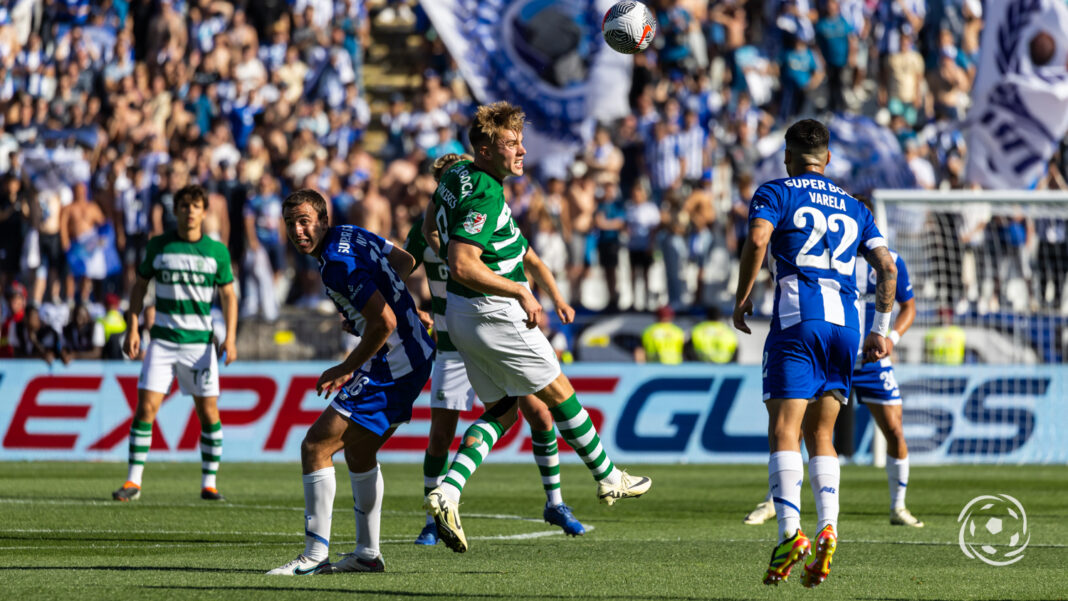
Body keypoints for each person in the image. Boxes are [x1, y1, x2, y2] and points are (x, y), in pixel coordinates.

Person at [421, 101, 651, 554]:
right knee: (559, 393)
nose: (522, 150)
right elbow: (463, 264)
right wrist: (520, 291)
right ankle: (609, 477)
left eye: (520, 141)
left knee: (504, 412)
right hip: (494, 311)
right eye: (511, 143)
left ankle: (447, 491)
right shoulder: (485, 191)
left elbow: (431, 224)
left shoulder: (455, 174)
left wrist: (442, 244)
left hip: (464, 317)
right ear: (485, 149)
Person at [732, 119, 896, 587]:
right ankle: (829, 528)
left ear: (788, 157)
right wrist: (880, 329)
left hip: (798, 319)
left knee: (785, 429)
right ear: (827, 159)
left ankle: (789, 533)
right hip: (848, 324)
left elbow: (759, 239)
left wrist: (742, 296)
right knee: (822, 434)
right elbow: (886, 266)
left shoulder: (776, 191)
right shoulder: (855, 206)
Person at [406, 153, 585, 546]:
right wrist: (413, 309)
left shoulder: (483, 213)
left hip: (491, 331)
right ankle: (433, 516)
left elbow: (530, 257)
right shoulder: (426, 229)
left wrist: (556, 297)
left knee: (539, 414)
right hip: (453, 345)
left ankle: (555, 502)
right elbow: (399, 271)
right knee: (441, 434)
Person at [267, 189, 434, 575]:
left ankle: (313, 557)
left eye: (305, 221)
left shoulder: (334, 264)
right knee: (358, 454)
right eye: (291, 223)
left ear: (323, 220)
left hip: (392, 365)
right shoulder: (353, 233)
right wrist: (371, 306)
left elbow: (384, 323)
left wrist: (345, 367)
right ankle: (367, 554)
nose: (297, 230)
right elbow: (405, 261)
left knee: (315, 446)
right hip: (417, 356)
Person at [743, 197, 924, 529]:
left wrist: (888, 339)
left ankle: (898, 506)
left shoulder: (888, 260)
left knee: (893, 429)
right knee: (797, 428)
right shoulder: (831, 260)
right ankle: (777, 501)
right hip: (836, 348)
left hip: (870, 357)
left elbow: (909, 306)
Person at [113, 185, 238, 503]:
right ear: (176, 210)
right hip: (163, 342)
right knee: (145, 408)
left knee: (208, 412)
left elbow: (228, 296)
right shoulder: (159, 246)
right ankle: (133, 482)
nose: (190, 211)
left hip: (200, 345)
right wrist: (133, 326)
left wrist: (232, 338)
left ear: (204, 211)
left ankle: (209, 483)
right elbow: (139, 287)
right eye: (184, 205)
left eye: (196, 206)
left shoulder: (216, 252)